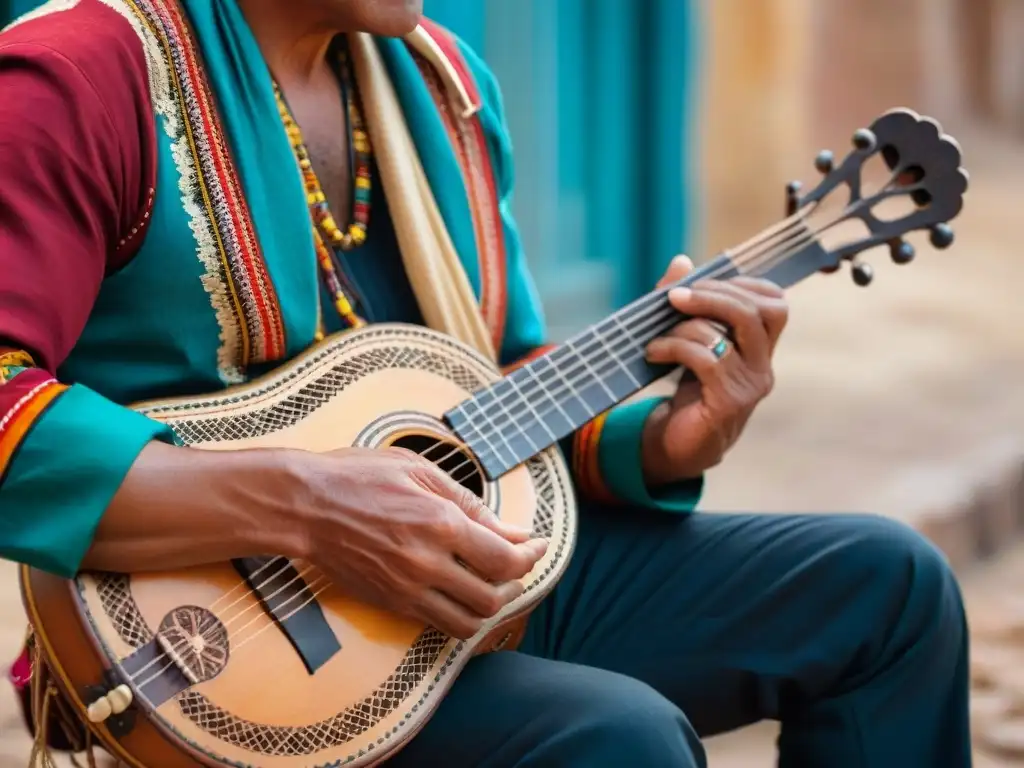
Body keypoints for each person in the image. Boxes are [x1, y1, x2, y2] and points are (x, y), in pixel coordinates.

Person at [0, 0, 969, 765]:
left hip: (464, 583)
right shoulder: (84, 80)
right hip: (216, 664)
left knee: (888, 589)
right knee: (613, 737)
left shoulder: (442, 85)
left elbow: (491, 391)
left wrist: (659, 439)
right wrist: (306, 504)